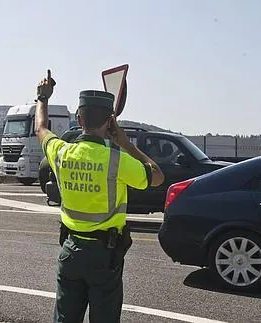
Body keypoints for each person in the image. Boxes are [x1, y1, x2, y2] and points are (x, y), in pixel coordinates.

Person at [33, 70, 165, 323]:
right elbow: (157, 175)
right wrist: (125, 142)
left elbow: (41, 128)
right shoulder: (117, 159)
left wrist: (42, 97)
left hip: (70, 250)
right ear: (109, 122)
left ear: (79, 119)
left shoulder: (61, 152)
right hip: (105, 255)